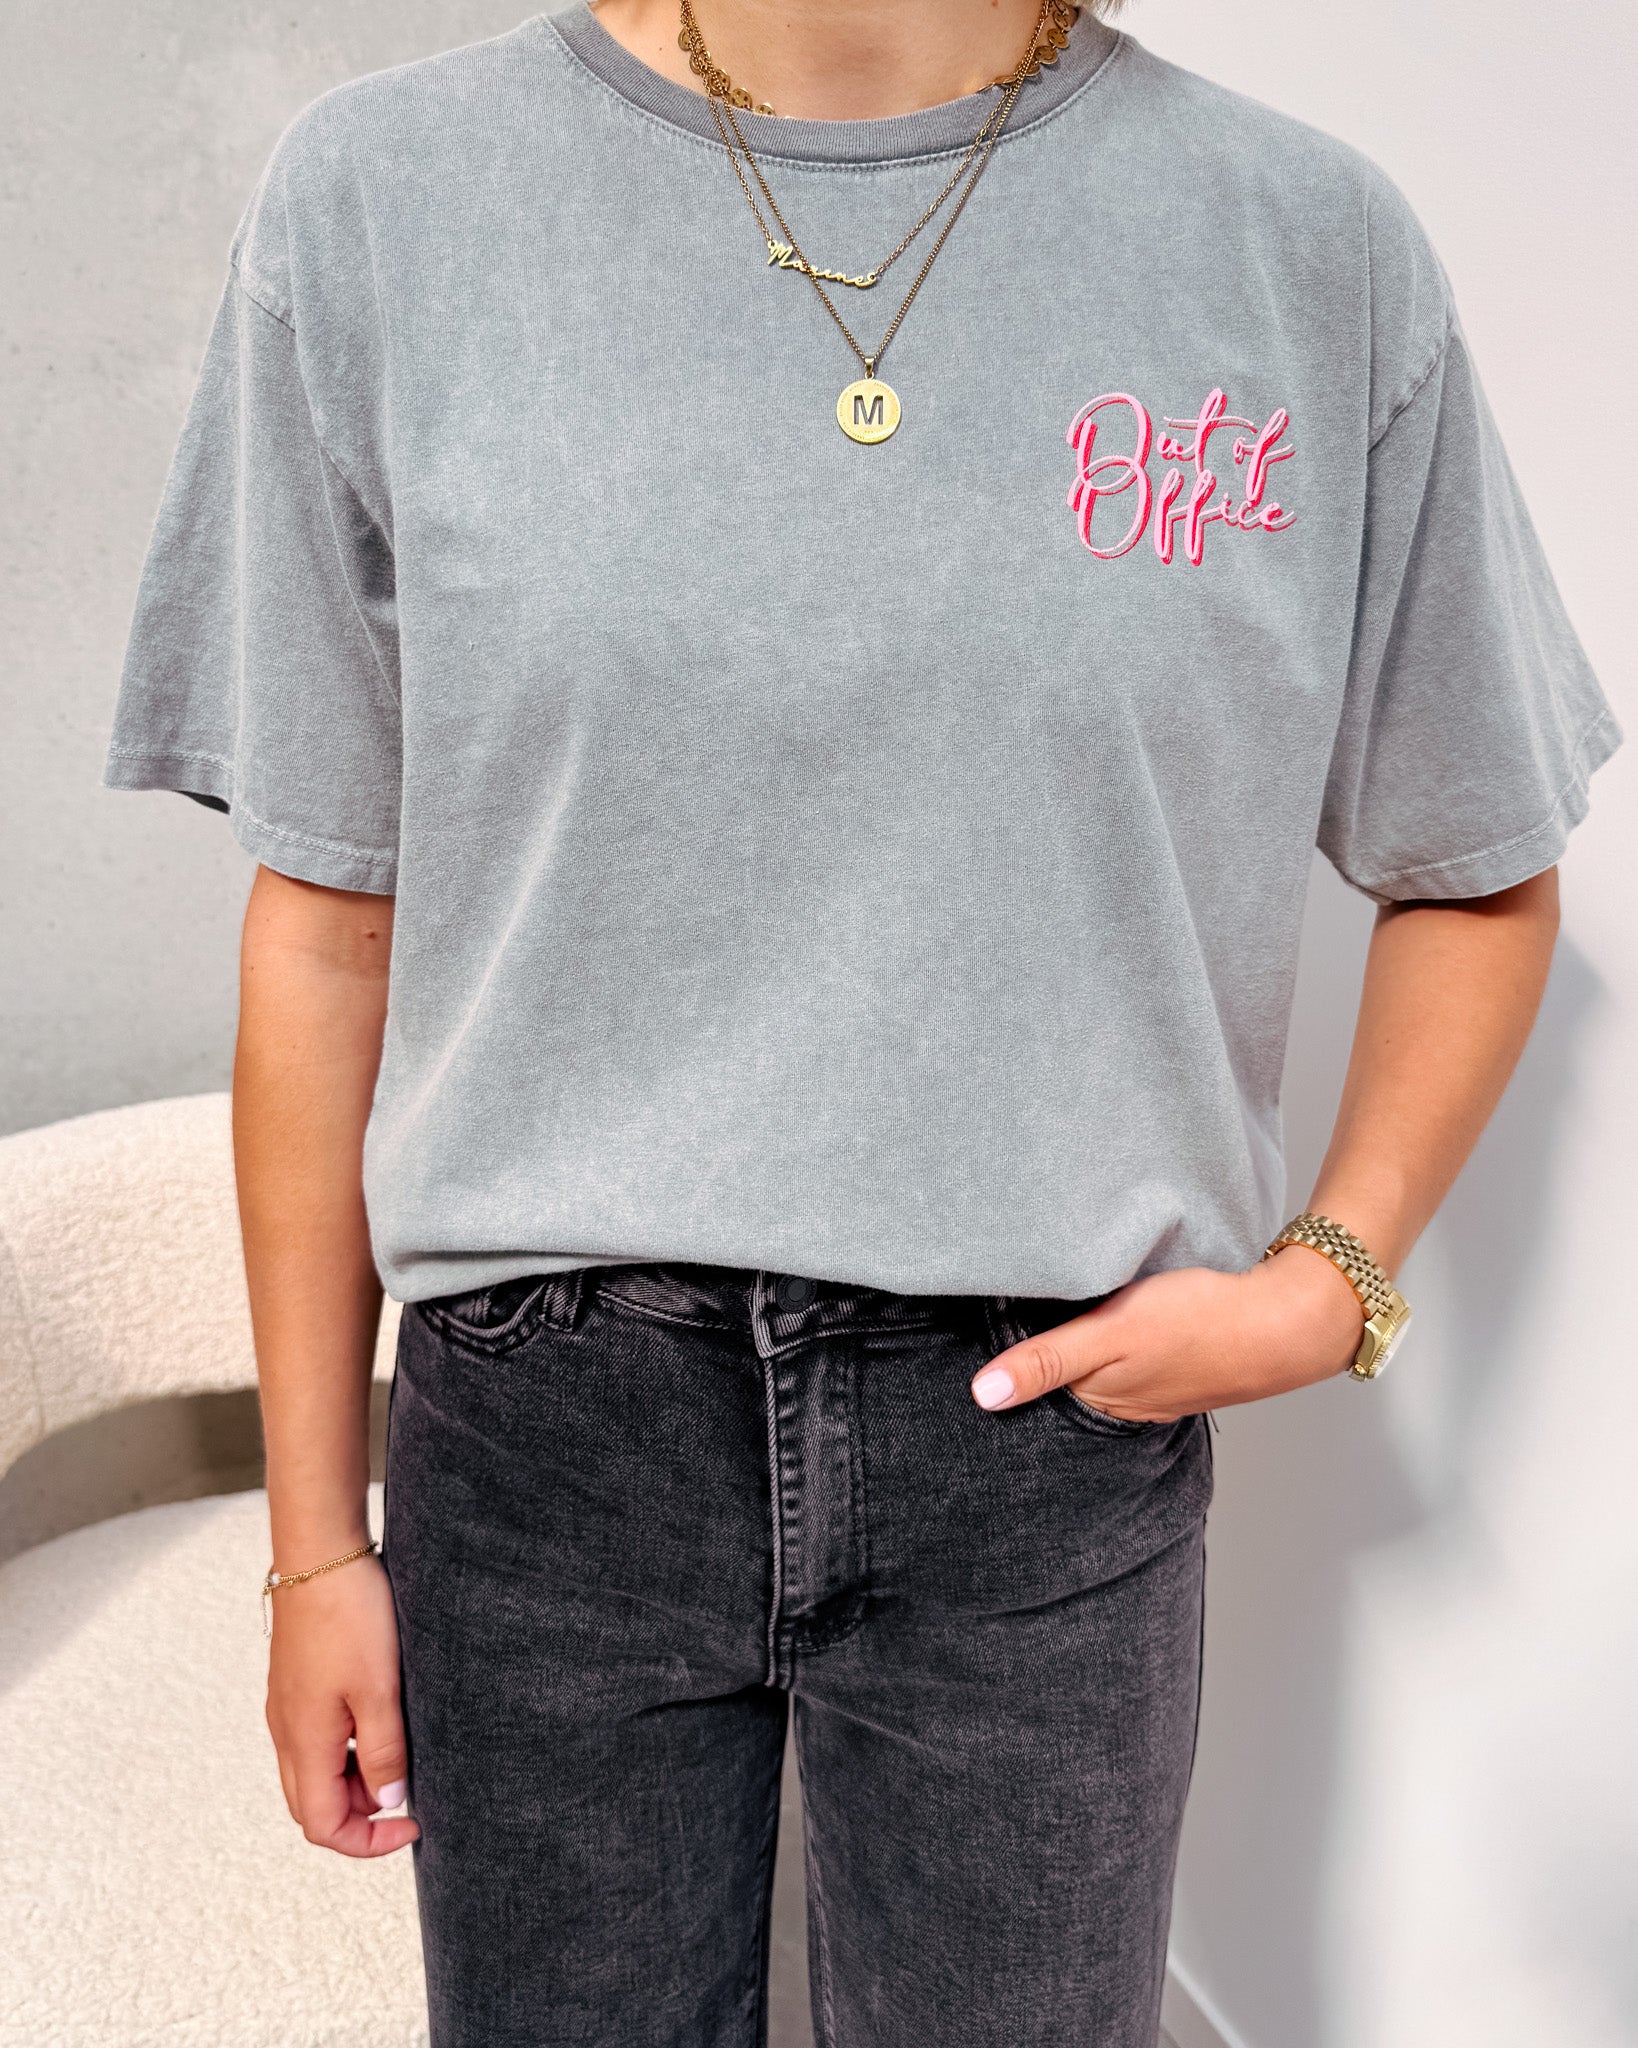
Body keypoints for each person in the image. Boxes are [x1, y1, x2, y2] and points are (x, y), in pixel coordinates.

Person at [105, 0, 1618, 2041]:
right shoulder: (387, 202)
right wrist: (315, 1544)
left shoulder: (1303, 241)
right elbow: (325, 923)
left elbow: (1478, 861)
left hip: (1048, 1442)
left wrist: (1330, 1278)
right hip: (551, 1444)